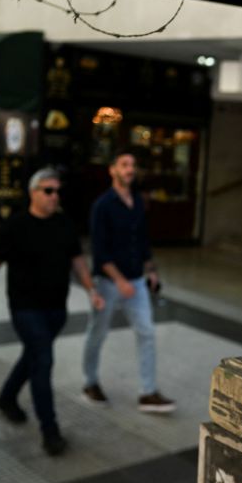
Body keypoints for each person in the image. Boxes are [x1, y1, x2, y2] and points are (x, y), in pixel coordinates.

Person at [0, 168, 103, 456]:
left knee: (33, 355)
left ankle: (7, 398)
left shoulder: (64, 225)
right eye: (48, 190)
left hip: (56, 309)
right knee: (43, 360)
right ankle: (50, 430)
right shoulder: (14, 226)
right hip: (25, 308)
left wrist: (91, 290)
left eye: (57, 191)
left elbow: (78, 261)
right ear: (33, 193)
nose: (54, 196)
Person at [81, 149, 175, 413]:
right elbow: (100, 252)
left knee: (146, 332)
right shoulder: (102, 206)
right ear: (112, 169)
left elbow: (142, 242)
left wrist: (151, 270)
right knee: (97, 332)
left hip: (135, 280)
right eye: (124, 164)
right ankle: (90, 382)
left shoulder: (137, 200)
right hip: (109, 282)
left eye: (132, 165)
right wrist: (120, 281)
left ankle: (148, 392)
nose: (129, 169)